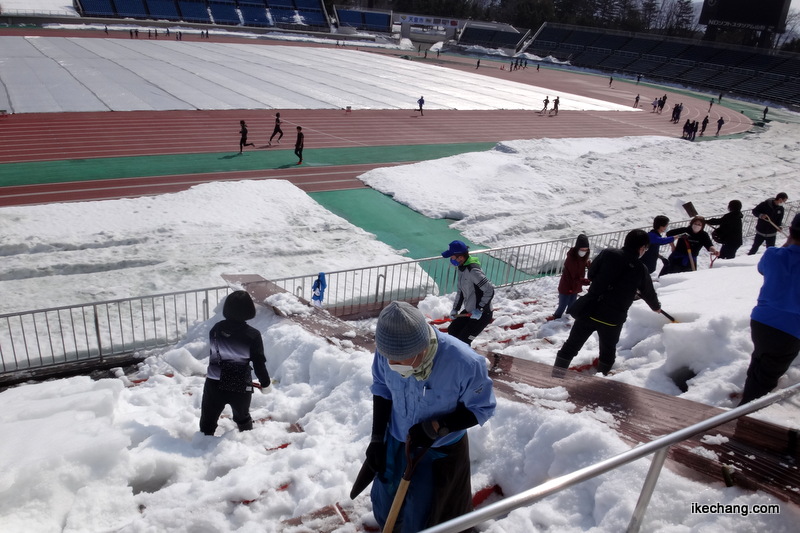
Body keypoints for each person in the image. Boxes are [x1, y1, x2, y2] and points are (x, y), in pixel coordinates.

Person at [366, 301, 496, 532]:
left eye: (400, 359)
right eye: (389, 358)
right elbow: (382, 389)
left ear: (422, 348)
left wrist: (438, 426)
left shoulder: (464, 363)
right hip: (397, 441)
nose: (392, 364)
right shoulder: (387, 351)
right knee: (386, 502)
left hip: (439, 452)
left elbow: (481, 408)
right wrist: (377, 439)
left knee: (426, 514)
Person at [552, 230, 661, 376]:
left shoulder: (608, 253)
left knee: (571, 346)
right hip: (613, 319)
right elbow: (648, 293)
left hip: (590, 310)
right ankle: (601, 383)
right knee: (608, 351)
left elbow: (591, 274)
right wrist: (656, 307)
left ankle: (556, 376)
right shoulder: (641, 269)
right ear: (642, 248)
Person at [738, 214, 800, 405]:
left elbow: (763, 269)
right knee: (765, 378)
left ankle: (748, 397)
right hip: (791, 329)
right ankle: (744, 416)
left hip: (761, 322)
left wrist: (789, 243)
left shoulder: (773, 255)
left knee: (759, 361)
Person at [199, 290, 270, 436]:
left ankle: (202, 446)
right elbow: (258, 362)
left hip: (214, 383)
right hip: (240, 385)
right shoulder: (252, 335)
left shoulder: (216, 329)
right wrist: (265, 383)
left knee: (208, 419)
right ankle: (246, 441)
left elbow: (216, 353)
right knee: (242, 417)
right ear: (249, 310)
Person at [441, 240, 495, 346]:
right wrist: (455, 309)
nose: (451, 260)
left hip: (482, 314)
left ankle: (467, 360)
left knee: (463, 341)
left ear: (460, 257)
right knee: (453, 330)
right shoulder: (462, 268)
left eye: (452, 257)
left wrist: (480, 309)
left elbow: (489, 290)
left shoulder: (473, 271)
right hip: (470, 310)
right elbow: (461, 291)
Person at [547, 234, 591, 320]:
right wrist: (585, 281)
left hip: (575, 286)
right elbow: (573, 277)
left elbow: (584, 266)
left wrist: (591, 267)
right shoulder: (571, 259)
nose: (583, 251)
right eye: (582, 249)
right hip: (566, 286)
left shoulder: (583, 258)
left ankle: (566, 319)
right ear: (577, 248)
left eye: (585, 250)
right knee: (562, 305)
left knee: (572, 305)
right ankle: (555, 319)